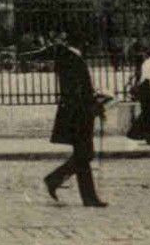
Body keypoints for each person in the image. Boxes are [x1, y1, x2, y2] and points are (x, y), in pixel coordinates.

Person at [41, 31, 109, 208]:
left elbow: (79, 88)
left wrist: (94, 96)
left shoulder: (70, 57)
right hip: (79, 114)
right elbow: (75, 91)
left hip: (78, 112)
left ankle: (54, 180)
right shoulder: (72, 58)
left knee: (84, 154)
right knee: (84, 154)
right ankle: (88, 198)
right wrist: (94, 101)